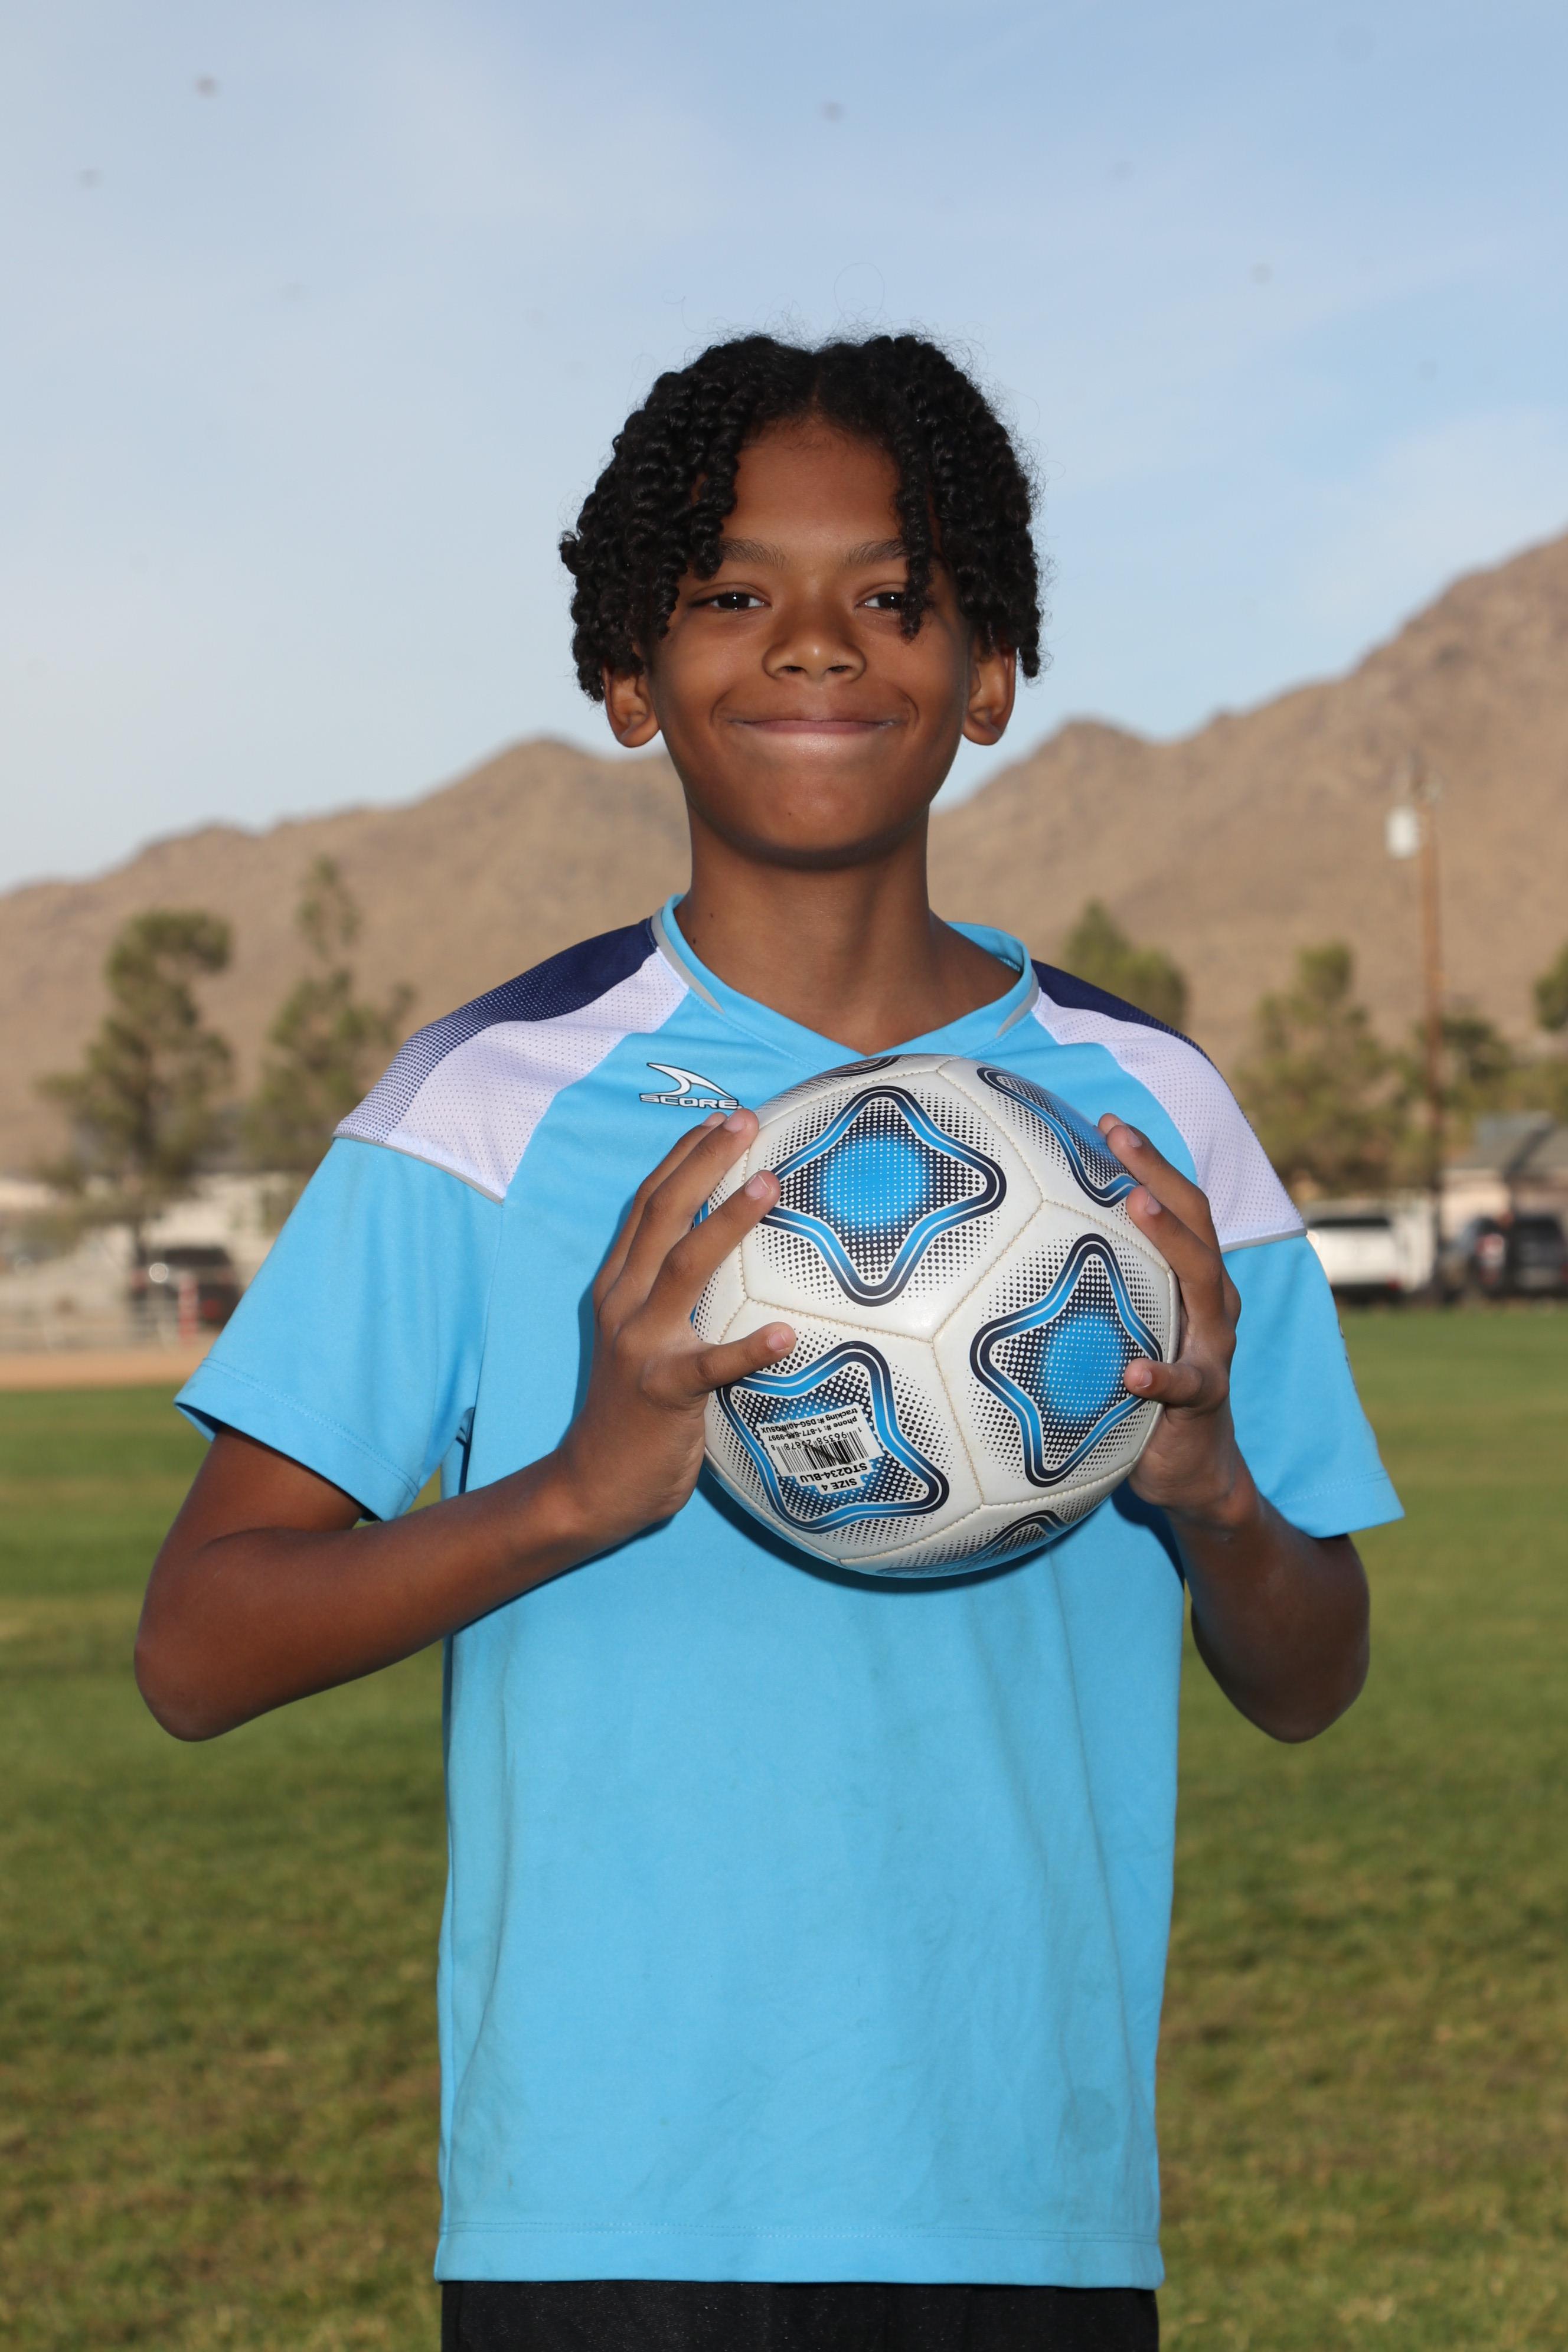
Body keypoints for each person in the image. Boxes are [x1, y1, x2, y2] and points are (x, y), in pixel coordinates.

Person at [136, 333, 1400, 2352]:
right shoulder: (484, 1105)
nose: (817, 644)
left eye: (894, 594)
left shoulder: (1150, 1120)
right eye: (733, 593)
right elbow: (198, 1651)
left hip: (1024, 2207)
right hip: (601, 2213)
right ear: (630, 675)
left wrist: (1221, 1497)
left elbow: (1313, 1676)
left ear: (990, 671)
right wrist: (568, 1495)